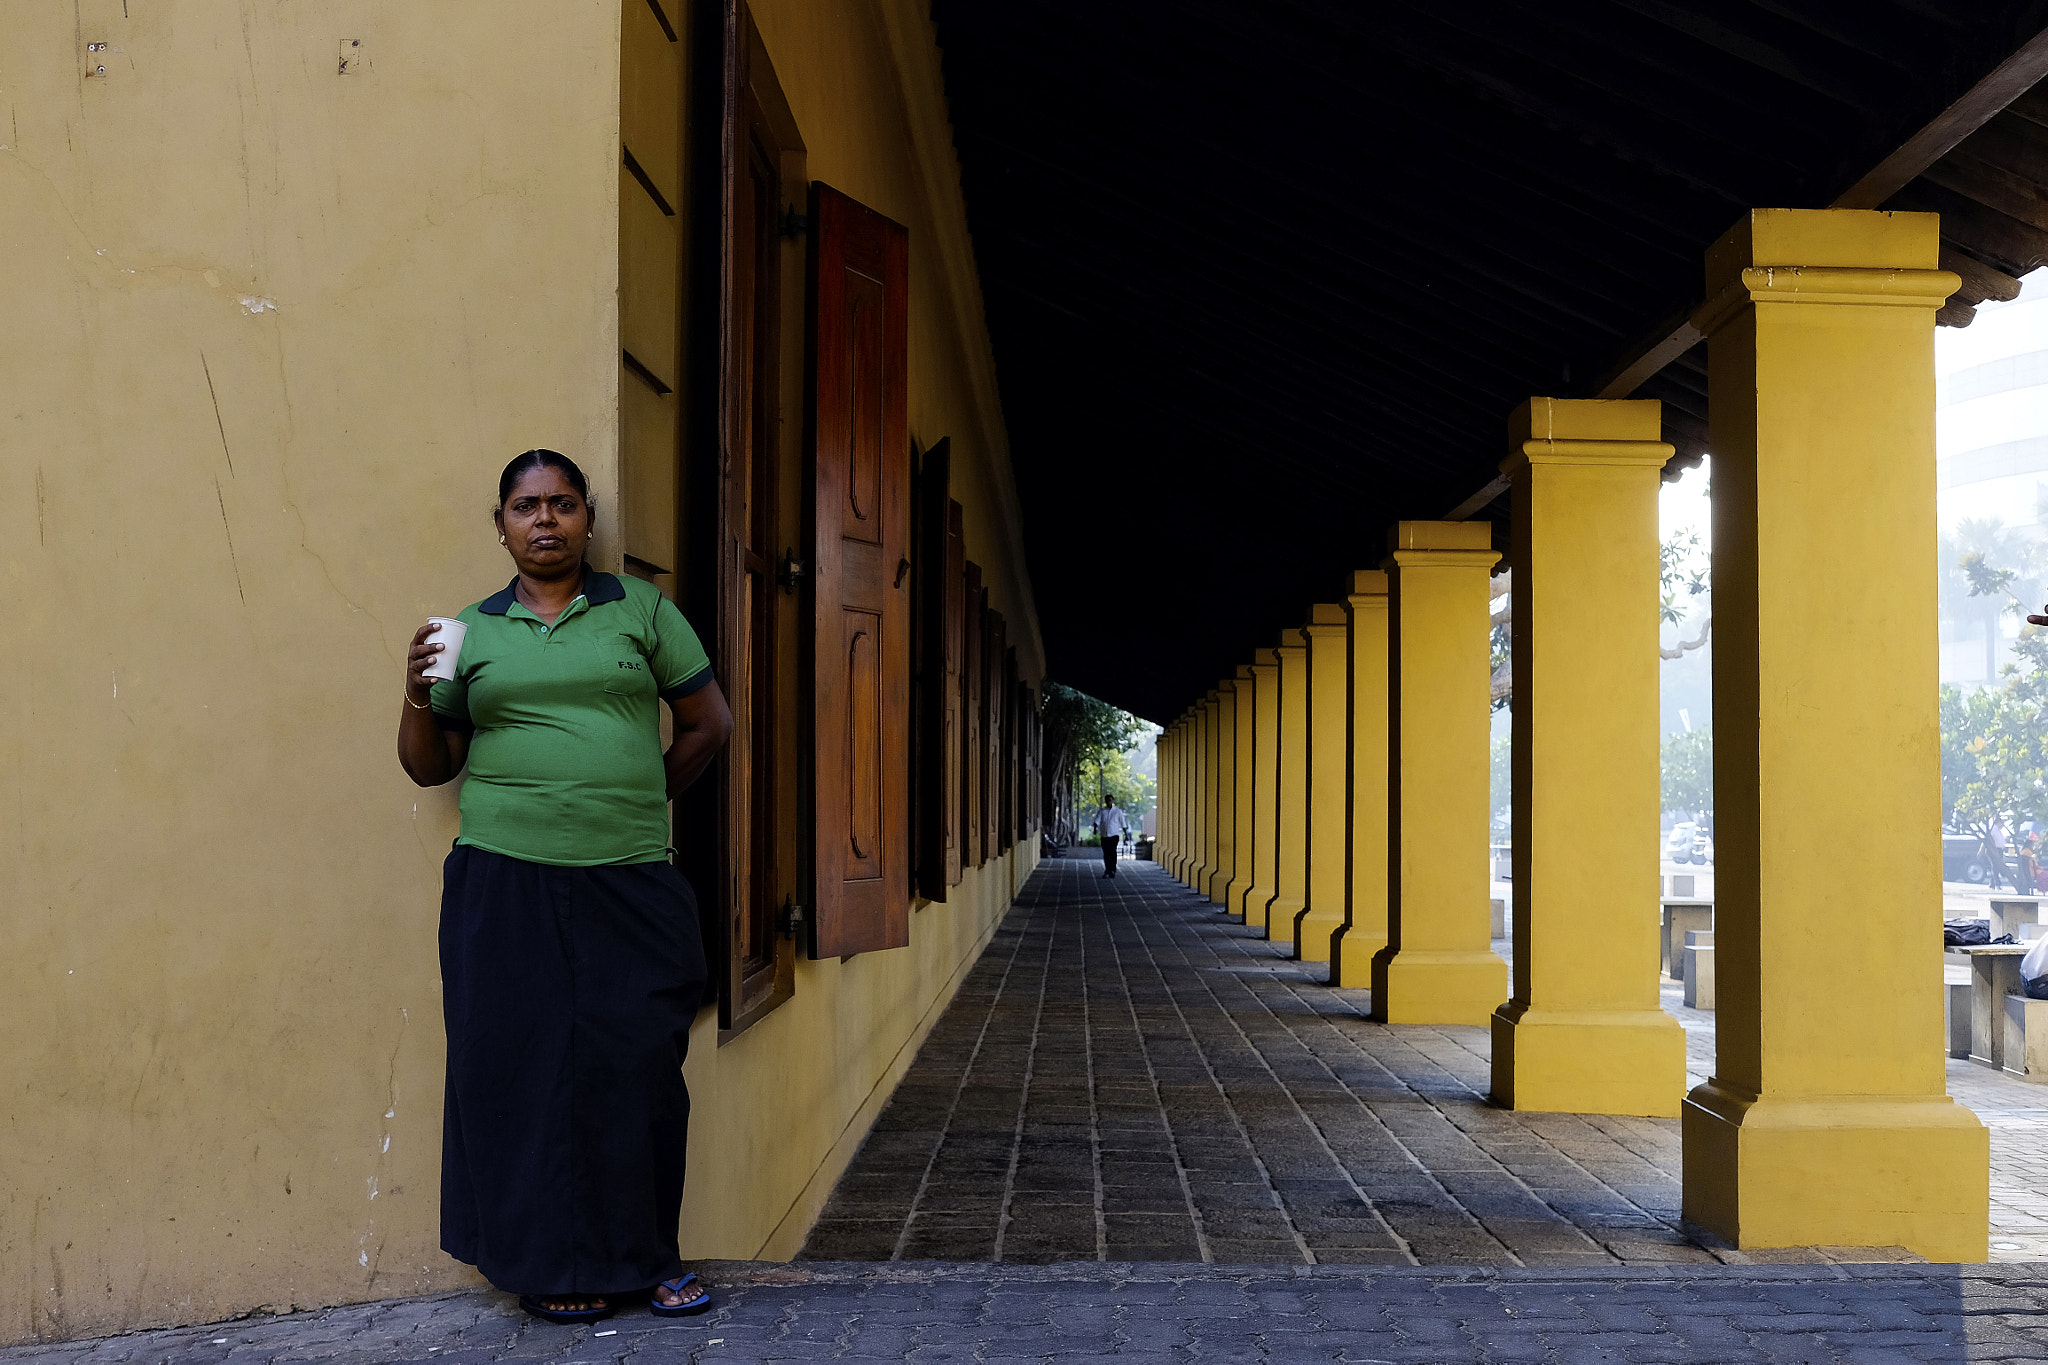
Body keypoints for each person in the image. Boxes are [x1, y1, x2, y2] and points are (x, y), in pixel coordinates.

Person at [397, 450, 734, 1326]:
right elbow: (430, 766)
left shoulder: (643, 611)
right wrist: (414, 695)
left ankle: (649, 1256)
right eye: (524, 506)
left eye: (562, 503)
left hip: (629, 877)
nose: (544, 520)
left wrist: (634, 794)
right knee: (516, 1070)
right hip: (501, 881)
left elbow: (709, 723)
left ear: (587, 517)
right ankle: (546, 1261)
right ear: (501, 523)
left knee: (641, 1069)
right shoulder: (470, 630)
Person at [1092, 795, 1127, 879]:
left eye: (1110, 800)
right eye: (1107, 800)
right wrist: (1095, 829)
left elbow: (1123, 822)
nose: (1109, 802)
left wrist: (1126, 834)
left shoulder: (1118, 811)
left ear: (1113, 800)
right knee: (1106, 853)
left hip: (1114, 835)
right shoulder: (1102, 811)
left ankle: (1112, 869)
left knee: (1112, 852)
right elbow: (1097, 821)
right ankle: (1107, 869)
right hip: (1104, 835)